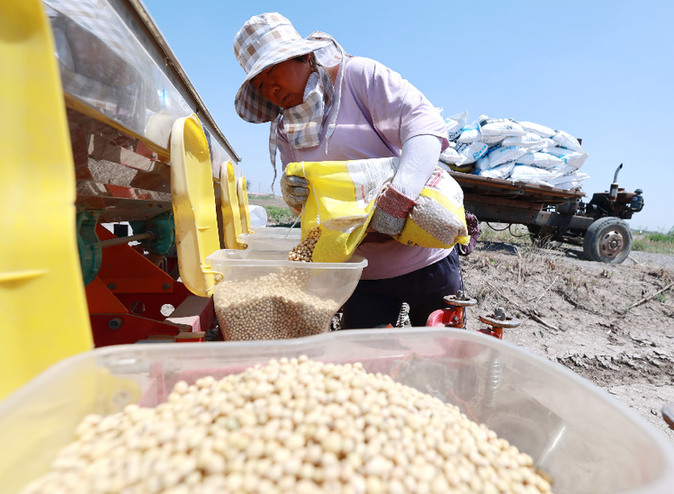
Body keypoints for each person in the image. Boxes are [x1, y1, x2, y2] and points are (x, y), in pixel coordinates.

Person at [233, 12, 464, 329]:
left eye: (272, 70)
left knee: (444, 352)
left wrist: (400, 196)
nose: (270, 89)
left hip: (425, 259)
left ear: (304, 57)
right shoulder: (287, 129)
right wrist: (296, 196)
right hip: (362, 271)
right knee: (361, 357)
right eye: (260, 84)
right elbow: (312, 205)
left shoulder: (357, 79)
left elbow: (424, 127)